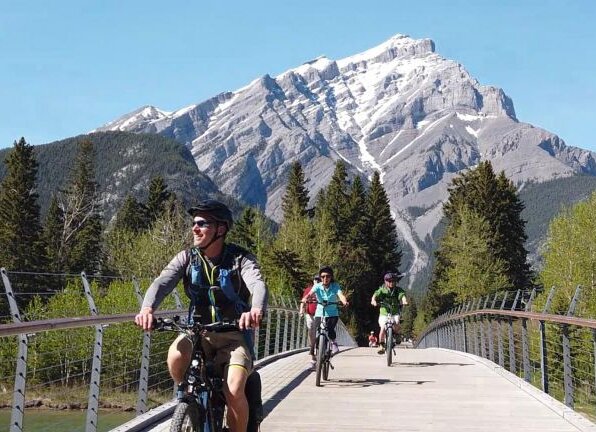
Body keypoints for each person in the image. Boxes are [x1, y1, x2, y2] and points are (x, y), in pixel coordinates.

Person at [134, 199, 267, 432]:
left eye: (202, 223)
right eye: (194, 223)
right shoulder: (187, 258)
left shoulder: (240, 259)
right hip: (198, 333)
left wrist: (256, 309)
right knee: (175, 356)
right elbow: (162, 283)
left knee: (234, 389)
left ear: (221, 229)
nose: (195, 228)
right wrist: (147, 308)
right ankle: (189, 399)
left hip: (233, 336)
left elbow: (257, 284)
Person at [301, 266, 348, 355]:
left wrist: (344, 301)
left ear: (331, 277)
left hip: (332, 313)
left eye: (328, 276)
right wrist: (305, 298)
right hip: (319, 313)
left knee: (330, 329)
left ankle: (333, 342)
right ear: (320, 278)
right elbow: (310, 293)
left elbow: (340, 295)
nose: (325, 278)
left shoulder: (335, 286)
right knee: (315, 330)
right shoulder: (317, 286)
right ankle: (314, 347)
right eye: (323, 276)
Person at [371, 272, 407, 355]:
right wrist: (373, 300)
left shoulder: (397, 290)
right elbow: (375, 294)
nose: (391, 283)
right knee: (383, 328)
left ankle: (397, 334)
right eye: (389, 281)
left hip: (394, 311)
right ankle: (381, 345)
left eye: (393, 281)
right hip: (384, 312)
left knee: (397, 323)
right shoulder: (382, 289)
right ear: (385, 281)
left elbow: (402, 295)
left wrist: (404, 300)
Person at [299, 274, 320, 367]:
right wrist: (301, 310)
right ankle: (313, 351)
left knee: (319, 333)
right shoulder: (308, 290)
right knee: (311, 332)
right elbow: (303, 300)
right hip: (309, 315)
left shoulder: (322, 290)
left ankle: (320, 349)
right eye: (315, 279)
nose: (317, 281)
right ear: (313, 280)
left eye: (318, 279)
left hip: (320, 315)